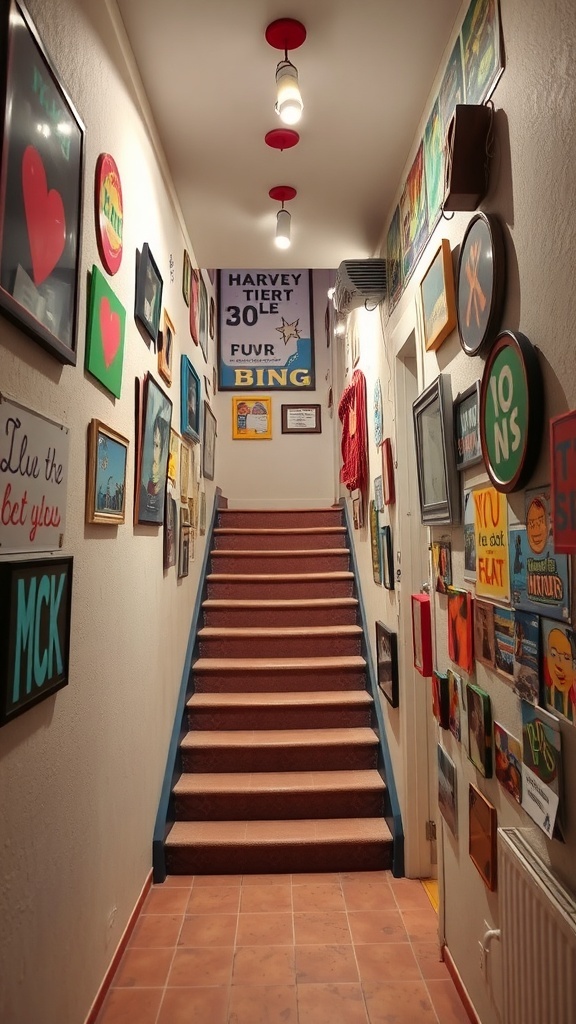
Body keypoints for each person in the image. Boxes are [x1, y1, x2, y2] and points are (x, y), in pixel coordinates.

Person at [139, 410, 169, 522]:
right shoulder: (144, 488)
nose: (152, 453)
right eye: (152, 444)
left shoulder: (163, 494)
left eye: (156, 445)